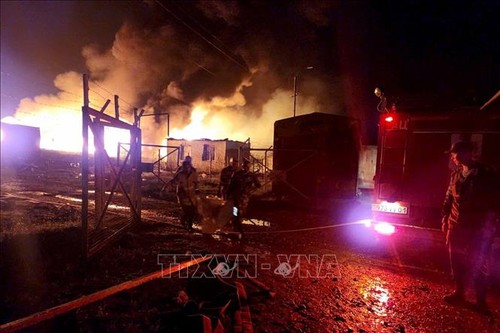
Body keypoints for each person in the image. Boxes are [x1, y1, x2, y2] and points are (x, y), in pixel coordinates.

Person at [441, 140, 499, 313]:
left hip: (477, 228)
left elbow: (495, 201)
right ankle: (460, 293)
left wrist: (491, 225)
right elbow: (448, 198)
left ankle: (481, 301)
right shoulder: (456, 175)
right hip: (456, 225)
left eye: (455, 154)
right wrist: (445, 218)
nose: (454, 157)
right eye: (452, 155)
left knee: (478, 262)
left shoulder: (486, 174)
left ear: (467, 153)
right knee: (456, 260)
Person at [227, 159, 261, 234]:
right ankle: (236, 223)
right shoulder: (236, 174)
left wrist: (251, 190)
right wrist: (228, 194)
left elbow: (258, 185)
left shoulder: (252, 175)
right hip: (237, 196)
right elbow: (231, 185)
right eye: (245, 166)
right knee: (235, 210)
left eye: (247, 166)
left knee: (241, 211)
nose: (246, 168)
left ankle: (237, 223)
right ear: (242, 166)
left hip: (245, 197)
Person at [172, 159, 199, 232]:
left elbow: (196, 183)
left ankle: (184, 220)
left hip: (191, 195)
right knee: (187, 210)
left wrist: (196, 190)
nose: (187, 169)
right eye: (185, 167)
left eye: (188, 167)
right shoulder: (180, 174)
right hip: (183, 196)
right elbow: (174, 182)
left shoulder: (193, 173)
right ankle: (189, 226)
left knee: (192, 211)